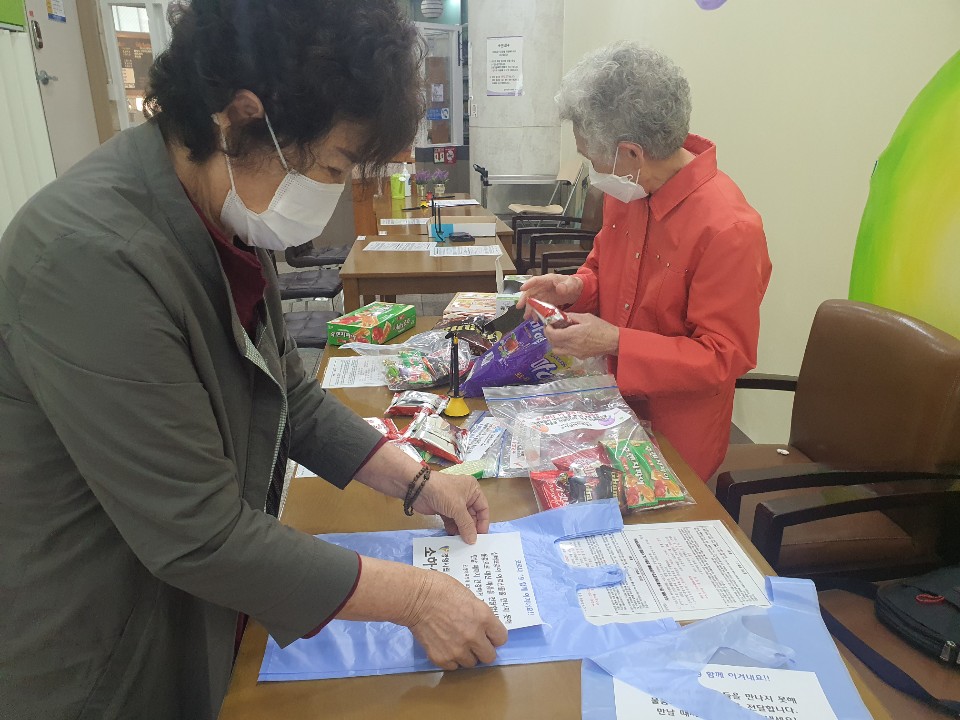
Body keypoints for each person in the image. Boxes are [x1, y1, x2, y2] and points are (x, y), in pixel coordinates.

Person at [0, 2, 506, 718]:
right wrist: (417, 597)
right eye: (331, 166)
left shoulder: (220, 212)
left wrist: (417, 481)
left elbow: (289, 394)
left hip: (199, 598)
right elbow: (198, 532)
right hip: (107, 639)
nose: (331, 192)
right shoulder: (89, 256)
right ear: (242, 118)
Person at [520, 43, 772, 481]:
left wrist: (617, 342)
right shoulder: (630, 189)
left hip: (676, 435)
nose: (593, 170)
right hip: (609, 406)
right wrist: (576, 287)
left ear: (633, 153)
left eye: (592, 158)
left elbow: (721, 357)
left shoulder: (729, 229)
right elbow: (604, 268)